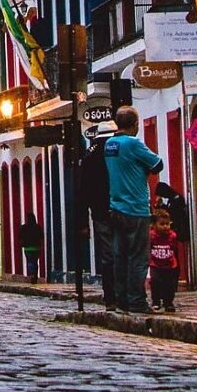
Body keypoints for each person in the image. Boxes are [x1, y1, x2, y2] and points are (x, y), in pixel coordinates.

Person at [104, 105, 164, 314]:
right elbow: (157, 164)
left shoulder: (109, 144)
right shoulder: (133, 143)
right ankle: (137, 301)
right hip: (136, 208)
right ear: (135, 124)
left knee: (120, 256)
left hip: (116, 207)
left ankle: (122, 301)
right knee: (138, 258)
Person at [79, 120, 118, 311]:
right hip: (122, 209)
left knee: (107, 255)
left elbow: (82, 193)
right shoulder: (119, 150)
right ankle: (125, 294)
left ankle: (111, 297)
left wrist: (82, 223)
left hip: (100, 213)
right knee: (125, 252)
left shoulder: (89, 156)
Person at [149, 210, 178, 313]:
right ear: (154, 225)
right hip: (155, 264)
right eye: (162, 224)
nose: (165, 226)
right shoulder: (151, 236)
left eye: (167, 224)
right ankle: (156, 301)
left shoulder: (172, 236)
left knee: (170, 285)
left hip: (169, 265)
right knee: (155, 282)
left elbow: (174, 248)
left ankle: (168, 302)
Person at [19, 212, 43, 284]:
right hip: (36, 247)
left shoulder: (23, 227)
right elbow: (41, 236)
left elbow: (20, 237)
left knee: (30, 261)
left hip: (27, 248)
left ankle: (32, 274)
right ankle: (35, 276)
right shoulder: (37, 227)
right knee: (35, 262)